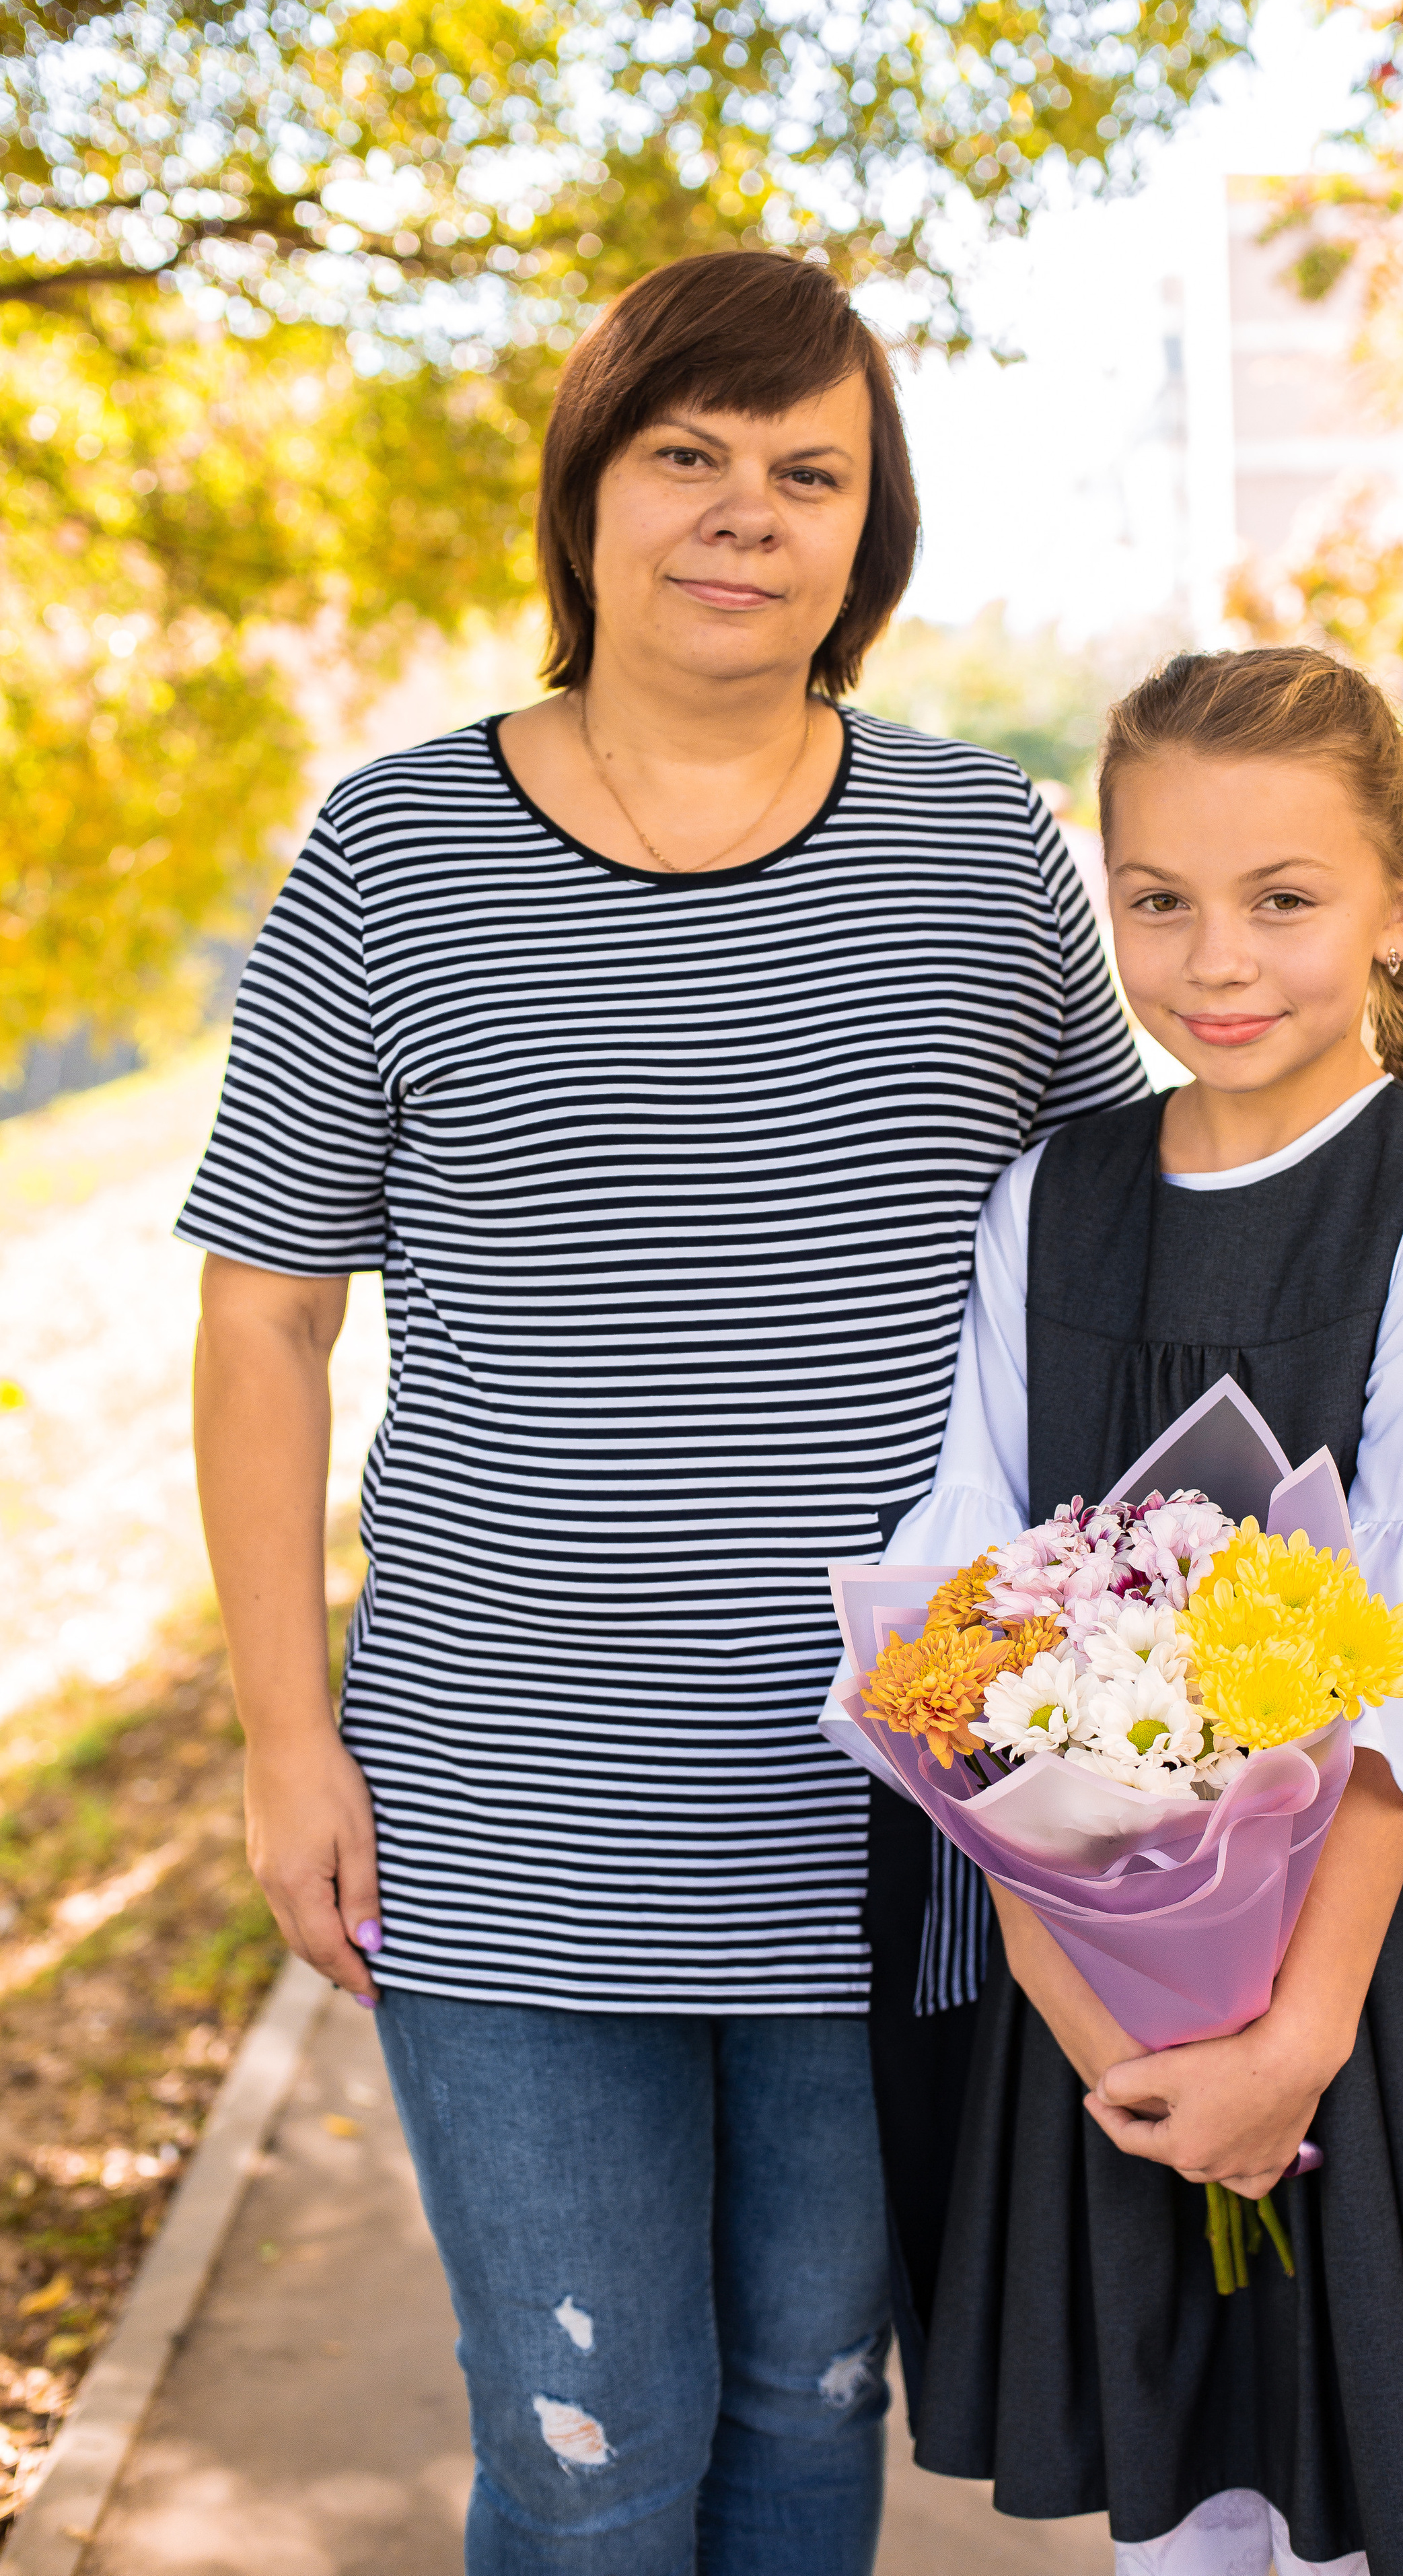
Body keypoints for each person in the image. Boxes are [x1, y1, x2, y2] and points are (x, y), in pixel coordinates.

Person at [176, 248, 1147, 2576]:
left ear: (869, 530)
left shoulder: (985, 852)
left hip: (894, 1822)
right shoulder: (393, 852)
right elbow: (263, 1322)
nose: (744, 512)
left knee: (815, 2408)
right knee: (593, 2454)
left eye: (809, 472)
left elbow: (1121, 1263)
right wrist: (287, 1741)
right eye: (687, 454)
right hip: (502, 1818)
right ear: (587, 496)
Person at [871, 647, 1403, 2575]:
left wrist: (1288, 2046)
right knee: (1182, 2505)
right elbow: (958, 1644)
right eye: (1159, 900)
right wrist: (1086, 2015)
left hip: (1357, 1980)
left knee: (1343, 2491)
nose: (1217, 961)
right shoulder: (1050, 1198)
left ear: (1400, 902)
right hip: (1091, 1989)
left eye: (1284, 899)